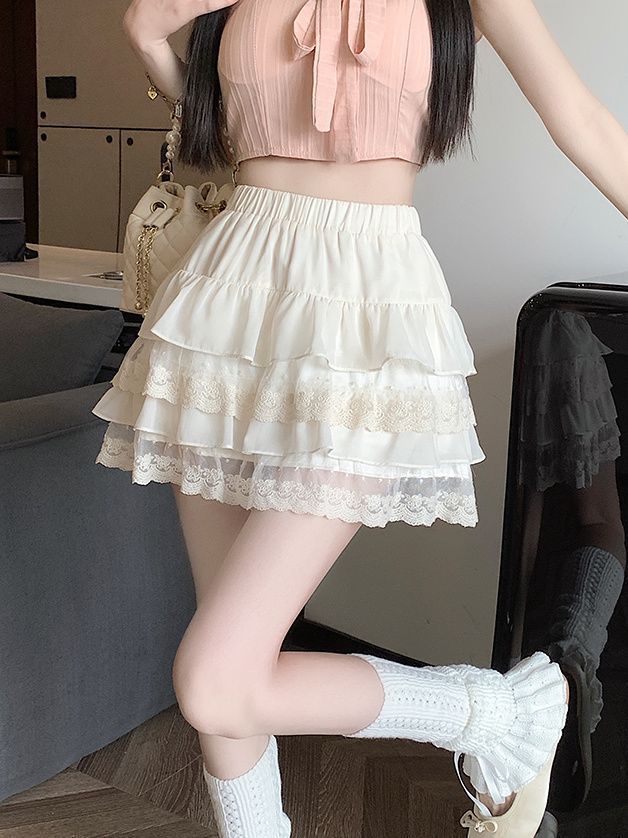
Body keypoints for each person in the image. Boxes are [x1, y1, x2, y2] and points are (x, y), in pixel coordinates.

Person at [91, 0, 628, 835]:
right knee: (233, 659)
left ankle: (494, 715)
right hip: (225, 306)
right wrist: (145, 34)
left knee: (214, 677)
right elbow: (222, 143)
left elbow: (584, 121)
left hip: (366, 318)